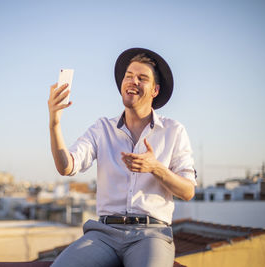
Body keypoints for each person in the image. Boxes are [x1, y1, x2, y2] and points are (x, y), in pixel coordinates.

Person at [48, 48, 196, 267]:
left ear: (155, 90)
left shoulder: (174, 131)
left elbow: (188, 191)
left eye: (141, 78)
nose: (132, 81)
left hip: (151, 234)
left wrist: (156, 167)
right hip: (103, 234)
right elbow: (66, 166)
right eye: (129, 76)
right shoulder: (102, 128)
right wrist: (54, 122)